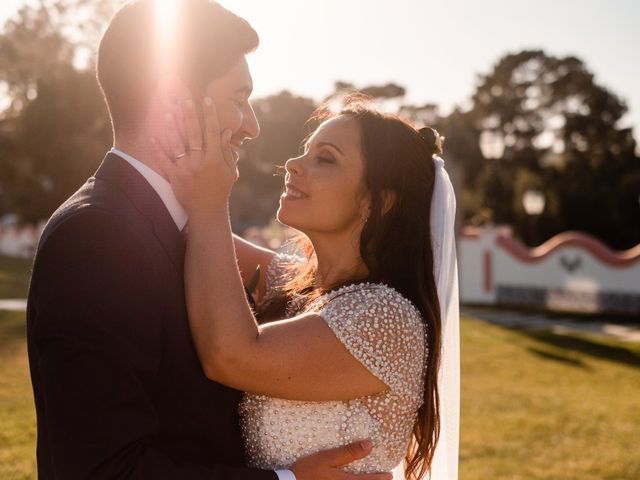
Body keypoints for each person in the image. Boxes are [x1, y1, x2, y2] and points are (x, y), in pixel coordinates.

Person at [26, 1, 390, 479]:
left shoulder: (183, 229)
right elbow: (104, 469)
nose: (252, 125)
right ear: (174, 102)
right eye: (239, 99)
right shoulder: (97, 236)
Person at [155, 92, 460, 479]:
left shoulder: (387, 317)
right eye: (304, 151)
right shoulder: (304, 285)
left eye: (325, 159)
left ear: (378, 203)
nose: (292, 165)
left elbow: (228, 354)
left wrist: (210, 203)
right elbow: (203, 242)